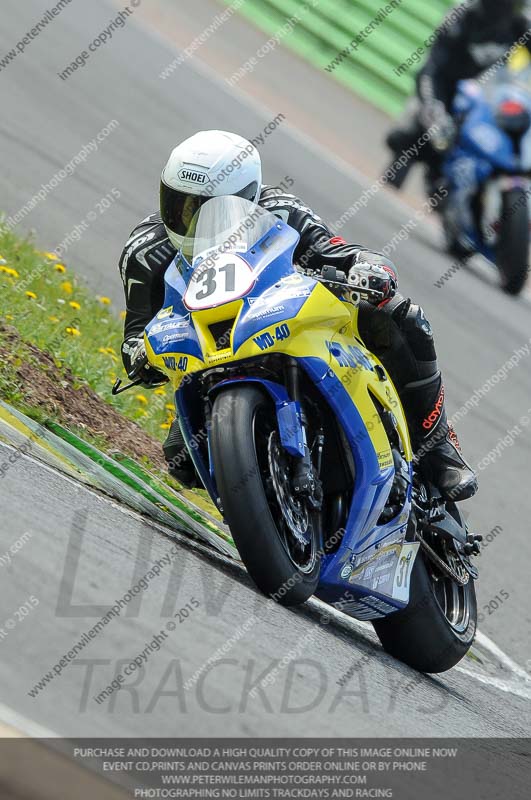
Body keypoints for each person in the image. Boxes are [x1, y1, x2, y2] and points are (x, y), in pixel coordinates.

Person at [119, 130, 478, 501]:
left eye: (204, 208)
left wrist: (367, 265)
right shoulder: (145, 252)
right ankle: (272, 509)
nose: (187, 219)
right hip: (211, 359)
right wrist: (141, 355)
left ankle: (437, 449)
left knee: (401, 316)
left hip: (280, 323)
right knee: (183, 456)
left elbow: (333, 250)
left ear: (247, 195)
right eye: (179, 204)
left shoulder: (280, 208)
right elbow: (135, 336)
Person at [387, 0, 531, 198]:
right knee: (426, 133)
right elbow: (432, 69)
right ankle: (406, 167)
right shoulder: (463, 15)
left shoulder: (519, 25)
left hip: (483, 93)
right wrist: (434, 107)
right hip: (444, 84)